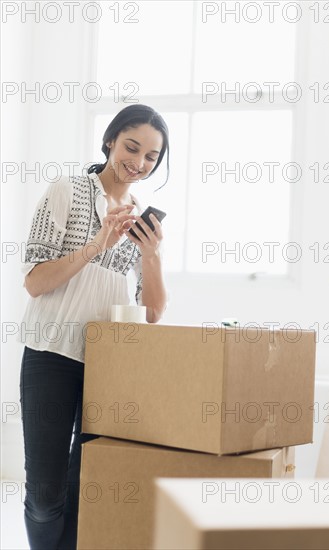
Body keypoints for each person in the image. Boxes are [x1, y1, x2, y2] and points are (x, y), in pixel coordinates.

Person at [18, 104, 170, 549]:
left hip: (109, 368)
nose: (139, 162)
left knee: (87, 486)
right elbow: (34, 282)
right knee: (46, 496)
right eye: (132, 147)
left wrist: (152, 255)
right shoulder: (67, 190)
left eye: (151, 157)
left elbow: (155, 311)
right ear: (109, 141)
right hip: (50, 357)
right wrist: (96, 245)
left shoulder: (144, 221)